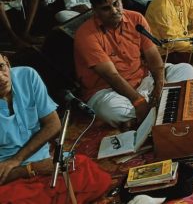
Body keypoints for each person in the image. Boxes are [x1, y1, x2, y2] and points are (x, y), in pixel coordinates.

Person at [74, 0, 193, 128]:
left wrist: (159, 84)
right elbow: (111, 76)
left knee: (186, 69)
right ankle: (165, 105)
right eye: (106, 8)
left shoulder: (136, 18)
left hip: (143, 79)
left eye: (116, 4)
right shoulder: (85, 34)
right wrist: (138, 101)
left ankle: (144, 116)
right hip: (108, 91)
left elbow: (153, 56)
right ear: (94, 11)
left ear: (121, 0)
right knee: (113, 111)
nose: (114, 11)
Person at [0, 55, 110, 202]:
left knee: (91, 174)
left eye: (1, 67)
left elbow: (53, 124)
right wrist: (29, 169)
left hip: (46, 164)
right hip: (11, 176)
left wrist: (18, 159)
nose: (0, 77)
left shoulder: (27, 76)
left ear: (7, 63)